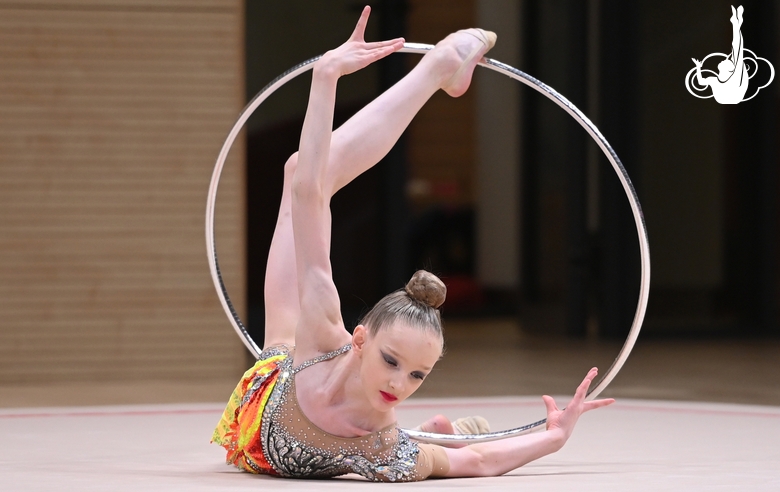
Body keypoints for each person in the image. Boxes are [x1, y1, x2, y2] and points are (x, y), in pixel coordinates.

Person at [212, 6, 614, 482]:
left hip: (271, 393)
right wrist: (326, 77)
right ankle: (437, 68)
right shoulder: (322, 333)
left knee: (304, 171)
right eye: (391, 361)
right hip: (280, 368)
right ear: (358, 339)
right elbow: (307, 196)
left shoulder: (379, 442)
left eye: (417, 376)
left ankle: (439, 67)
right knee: (302, 175)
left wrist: (554, 438)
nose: (399, 385)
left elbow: (476, 463)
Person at [692, 5, 747, 104]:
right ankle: (736, 23)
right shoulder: (715, 80)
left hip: (733, 96)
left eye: (727, 61)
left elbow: (737, 49)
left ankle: (736, 23)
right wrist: (698, 67)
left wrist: (736, 25)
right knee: (737, 51)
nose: (725, 59)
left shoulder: (733, 78)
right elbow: (700, 82)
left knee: (737, 50)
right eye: (727, 60)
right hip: (729, 98)